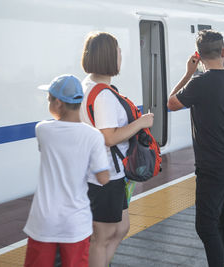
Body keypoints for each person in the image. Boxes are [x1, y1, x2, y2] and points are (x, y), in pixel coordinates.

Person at [167, 30, 224, 267]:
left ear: (199, 56)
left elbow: (171, 103)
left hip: (211, 167)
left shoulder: (198, 83)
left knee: (206, 224)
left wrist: (188, 73)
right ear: (223, 52)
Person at [80, 32, 154, 267]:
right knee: (101, 238)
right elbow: (108, 137)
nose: (121, 56)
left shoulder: (87, 85)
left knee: (121, 227)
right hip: (105, 174)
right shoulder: (103, 96)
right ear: (110, 57)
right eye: (119, 51)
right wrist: (141, 123)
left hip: (103, 172)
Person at [23, 74, 110, 267]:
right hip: (75, 222)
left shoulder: (43, 130)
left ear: (59, 103)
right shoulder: (93, 136)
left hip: (43, 221)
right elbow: (103, 178)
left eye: (49, 99)